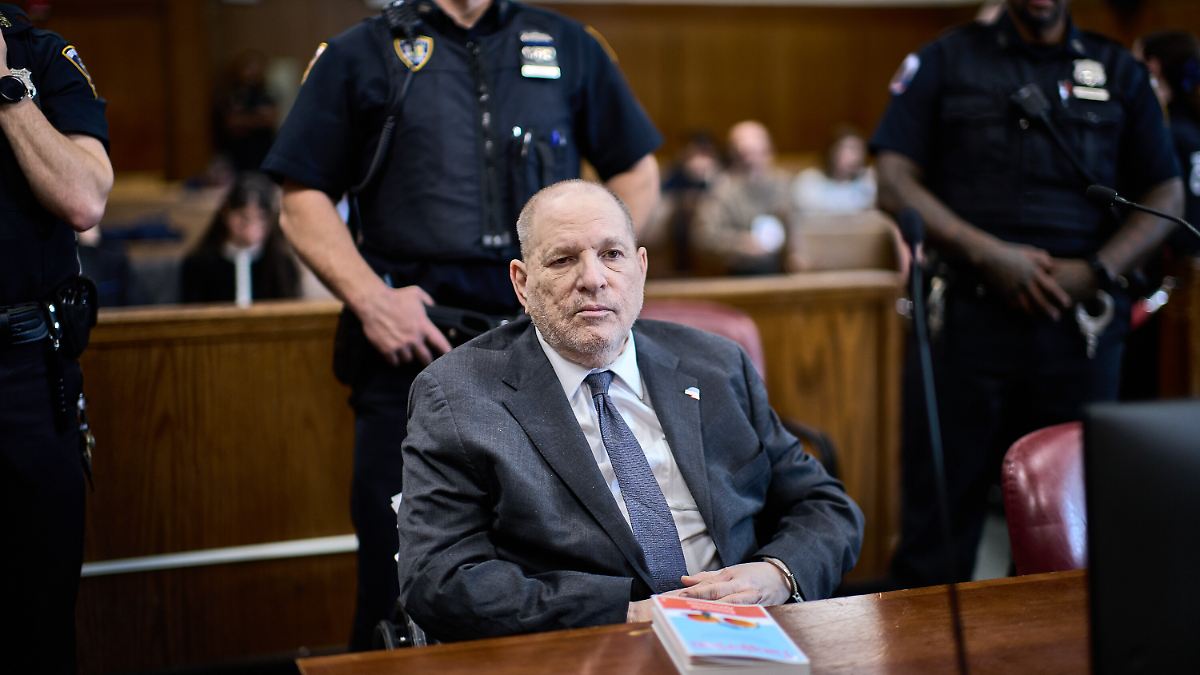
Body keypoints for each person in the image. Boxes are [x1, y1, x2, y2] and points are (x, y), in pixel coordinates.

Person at [261, 0, 660, 650]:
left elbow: (637, 169)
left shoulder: (568, 44)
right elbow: (301, 199)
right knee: (399, 580)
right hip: (412, 344)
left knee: (552, 563)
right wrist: (371, 299)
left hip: (544, 349)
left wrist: (601, 264)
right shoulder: (361, 52)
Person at [396, 180, 864, 642]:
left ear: (640, 268)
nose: (593, 278)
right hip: (585, 648)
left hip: (745, 636)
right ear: (522, 283)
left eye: (612, 254)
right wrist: (625, 614)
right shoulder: (458, 395)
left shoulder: (717, 365)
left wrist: (777, 574)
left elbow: (826, 507)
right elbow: (438, 579)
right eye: (562, 260)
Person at [871, 0, 1183, 587]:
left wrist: (1096, 270)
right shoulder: (946, 58)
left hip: (1079, 330)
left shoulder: (1118, 69)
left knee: (1066, 535)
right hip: (965, 323)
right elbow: (892, 180)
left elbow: (1165, 192)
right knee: (935, 533)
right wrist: (987, 254)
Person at [0, 4, 112, 671]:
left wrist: (6, 91)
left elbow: (86, 199)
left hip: (23, 375)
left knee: (38, 619)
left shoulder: (40, 56)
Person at [180, 172, 300, 304]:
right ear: (226, 213)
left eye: (260, 217)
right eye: (243, 216)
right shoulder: (199, 263)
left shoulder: (282, 264)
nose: (251, 226)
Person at [694, 120, 793, 275]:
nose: (753, 162)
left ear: (770, 152)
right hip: (735, 272)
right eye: (745, 155)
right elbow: (704, 237)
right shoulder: (721, 190)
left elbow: (799, 228)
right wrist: (740, 243)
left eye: (758, 153)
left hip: (782, 270)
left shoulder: (785, 185)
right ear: (733, 156)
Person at [214, 50, 278, 173]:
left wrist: (245, 120)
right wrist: (257, 119)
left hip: (263, 153)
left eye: (256, 67)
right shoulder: (231, 94)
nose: (252, 72)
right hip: (237, 156)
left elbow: (270, 119)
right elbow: (232, 122)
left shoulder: (266, 93)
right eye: (248, 67)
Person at [792, 126, 876, 216]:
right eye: (850, 149)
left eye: (860, 149)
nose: (857, 156)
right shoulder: (809, 181)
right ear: (832, 152)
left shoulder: (868, 181)